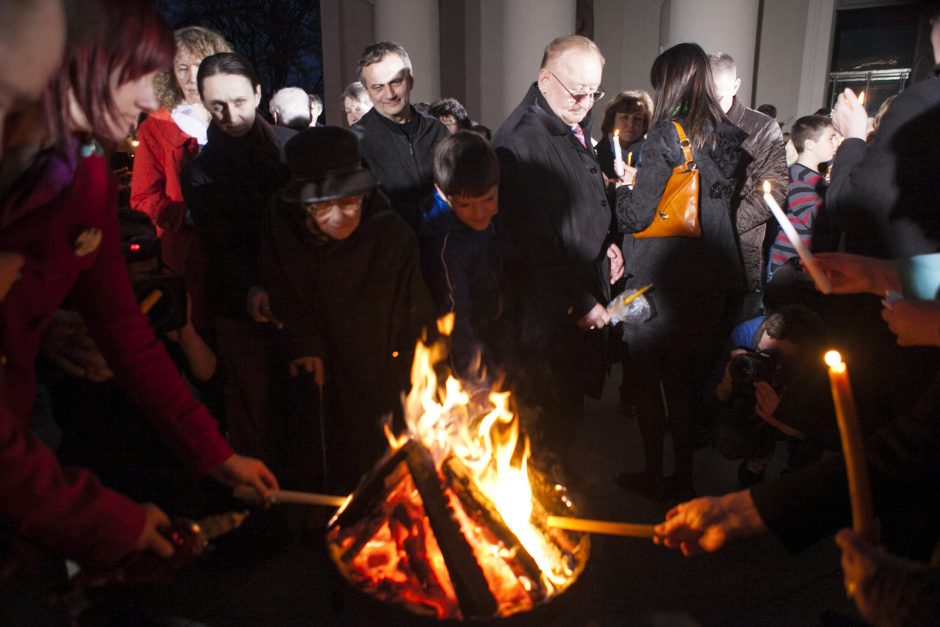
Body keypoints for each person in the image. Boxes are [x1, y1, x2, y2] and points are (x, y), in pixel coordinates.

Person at [0, 0, 276, 570]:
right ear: (78, 65)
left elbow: (124, 328)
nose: (153, 100)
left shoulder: (84, 172)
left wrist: (216, 455)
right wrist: (106, 521)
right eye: (137, 77)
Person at [654, 252, 940, 561]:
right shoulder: (747, 338)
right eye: (767, 354)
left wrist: (794, 423)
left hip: (805, 423)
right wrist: (878, 273)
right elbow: (897, 455)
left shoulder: (826, 362)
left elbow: (887, 452)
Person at [261, 126, 433, 491]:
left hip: (379, 374)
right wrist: (303, 342)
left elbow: (417, 316)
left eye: (350, 202)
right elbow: (282, 290)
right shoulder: (282, 227)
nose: (339, 215)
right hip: (316, 375)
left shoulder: (391, 237)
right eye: (322, 206)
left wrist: (423, 384)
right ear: (302, 206)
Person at [614, 42, 747, 499]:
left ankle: (655, 474)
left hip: (661, 283)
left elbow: (636, 216)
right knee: (686, 385)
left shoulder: (665, 136)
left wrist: (621, 190)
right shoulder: (725, 134)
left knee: (649, 381)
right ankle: (684, 477)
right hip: (711, 282)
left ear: (668, 82)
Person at [493, 35, 623, 469]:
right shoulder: (520, 141)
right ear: (544, 79)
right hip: (547, 316)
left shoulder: (567, 119)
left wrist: (607, 245)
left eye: (594, 91)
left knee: (568, 414)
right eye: (577, 90)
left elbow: (577, 201)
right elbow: (528, 242)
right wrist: (579, 302)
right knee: (546, 424)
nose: (587, 102)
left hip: (575, 290)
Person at [182, 52, 294, 463]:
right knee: (254, 412)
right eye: (217, 106)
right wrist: (250, 287)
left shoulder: (292, 149)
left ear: (258, 93)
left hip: (298, 295)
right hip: (238, 303)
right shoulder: (200, 168)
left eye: (240, 101)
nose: (230, 114)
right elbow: (219, 244)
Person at [130, 25, 232, 333]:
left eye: (199, 66)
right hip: (187, 255)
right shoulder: (157, 127)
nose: (190, 78)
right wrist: (184, 215)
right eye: (181, 68)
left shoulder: (237, 116)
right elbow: (143, 199)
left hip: (238, 250)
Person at [826, 3, 940, 258]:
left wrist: (853, 135)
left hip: (907, 286)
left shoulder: (923, 104)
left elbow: (856, 210)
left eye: (933, 17)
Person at [712, 305, 834, 487]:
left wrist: (781, 418)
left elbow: (828, 434)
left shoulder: (822, 360)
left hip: (797, 405)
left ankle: (796, 475)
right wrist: (727, 383)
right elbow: (711, 401)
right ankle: (760, 452)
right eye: (763, 354)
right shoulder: (745, 335)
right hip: (754, 403)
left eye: (780, 360)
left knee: (805, 458)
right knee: (728, 437)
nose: (769, 363)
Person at [709, 52, 787, 317]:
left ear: (735, 86)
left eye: (716, 97)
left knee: (733, 335)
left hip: (738, 251)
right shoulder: (691, 121)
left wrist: (722, 223)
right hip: (692, 249)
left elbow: (773, 190)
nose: (710, 105)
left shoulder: (762, 127)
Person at [419, 131, 501, 378]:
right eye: (465, 205)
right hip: (458, 347)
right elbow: (454, 314)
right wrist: (468, 374)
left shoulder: (482, 219)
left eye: (488, 200)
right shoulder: (446, 244)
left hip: (487, 325)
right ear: (443, 193)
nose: (479, 213)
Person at [352, 41, 449, 229]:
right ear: (367, 92)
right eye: (378, 87)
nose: (389, 94)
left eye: (396, 82)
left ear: (410, 80)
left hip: (443, 244)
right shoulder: (357, 143)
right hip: (392, 249)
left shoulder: (437, 131)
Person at [766, 115, 840, 280]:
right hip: (789, 265)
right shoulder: (798, 177)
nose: (836, 143)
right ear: (809, 144)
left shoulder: (813, 176)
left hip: (803, 264)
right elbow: (813, 218)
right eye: (831, 138)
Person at [595, 89, 653, 181]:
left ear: (644, 124)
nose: (631, 124)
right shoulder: (595, 156)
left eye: (637, 118)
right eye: (625, 117)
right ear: (612, 121)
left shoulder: (654, 157)